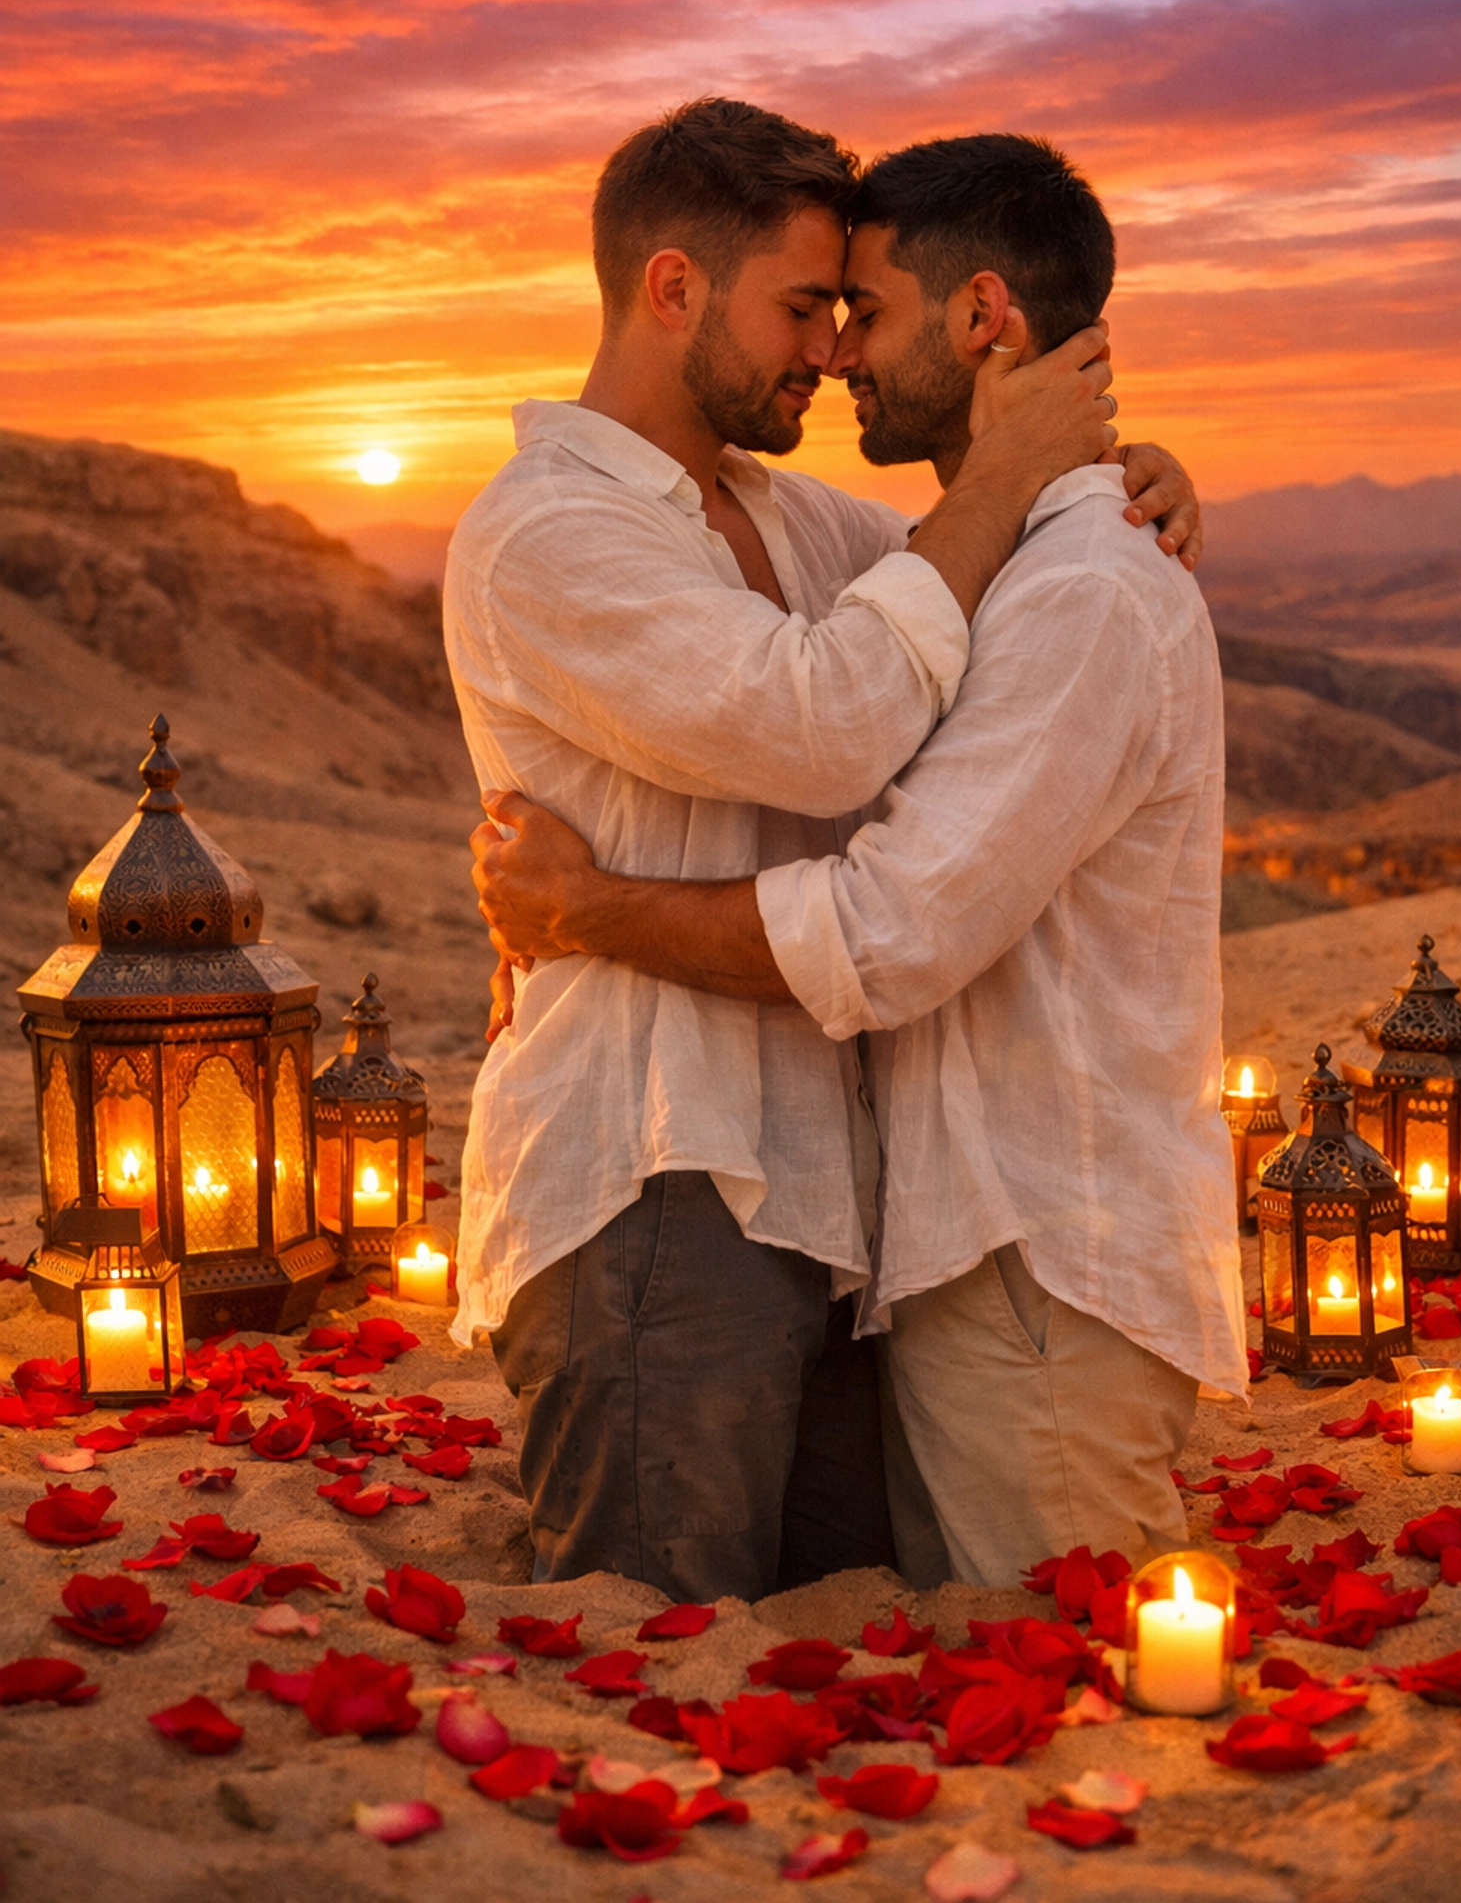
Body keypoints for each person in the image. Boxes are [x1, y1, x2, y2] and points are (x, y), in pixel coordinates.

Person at [471, 128, 1246, 1591]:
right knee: (666, 1663)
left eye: (855, 311)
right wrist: (1034, 468)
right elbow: (844, 704)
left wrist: (1094, 470)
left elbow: (930, 627)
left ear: (981, 318)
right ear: (676, 287)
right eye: (805, 308)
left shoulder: (806, 525)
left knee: (965, 1663)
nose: (831, 355)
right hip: (658, 1162)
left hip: (925, 1222)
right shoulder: (549, 533)